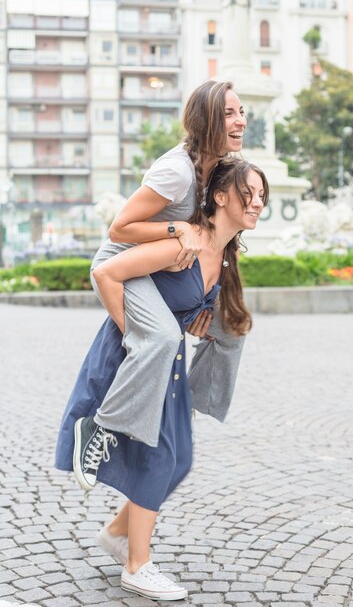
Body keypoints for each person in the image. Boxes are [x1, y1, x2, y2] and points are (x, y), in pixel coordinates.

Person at [56, 158, 269, 601]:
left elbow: (188, 306)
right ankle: (137, 565)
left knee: (180, 458)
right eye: (251, 192)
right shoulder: (184, 246)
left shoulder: (223, 255)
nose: (259, 202)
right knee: (158, 458)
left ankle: (119, 534)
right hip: (138, 359)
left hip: (168, 360)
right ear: (221, 197)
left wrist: (194, 318)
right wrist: (136, 337)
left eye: (264, 195)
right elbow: (105, 272)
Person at [70, 80, 248, 489]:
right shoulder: (176, 171)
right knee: (164, 338)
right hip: (124, 263)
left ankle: (183, 406)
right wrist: (177, 226)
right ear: (206, 122)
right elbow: (120, 227)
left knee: (232, 328)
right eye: (229, 114)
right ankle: (98, 427)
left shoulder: (218, 165)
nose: (239, 122)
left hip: (167, 263)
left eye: (242, 114)